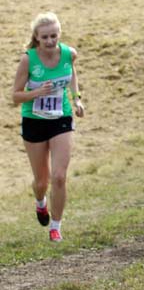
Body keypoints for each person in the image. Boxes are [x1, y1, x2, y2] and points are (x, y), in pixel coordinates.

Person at [12, 12, 85, 242]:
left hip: (61, 118)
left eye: (54, 35)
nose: (50, 41)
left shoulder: (69, 54)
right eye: (45, 37)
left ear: (59, 35)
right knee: (42, 182)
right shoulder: (28, 60)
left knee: (59, 176)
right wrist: (37, 93)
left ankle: (56, 226)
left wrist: (77, 98)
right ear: (36, 37)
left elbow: (71, 74)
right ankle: (40, 202)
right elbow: (15, 96)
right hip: (34, 120)